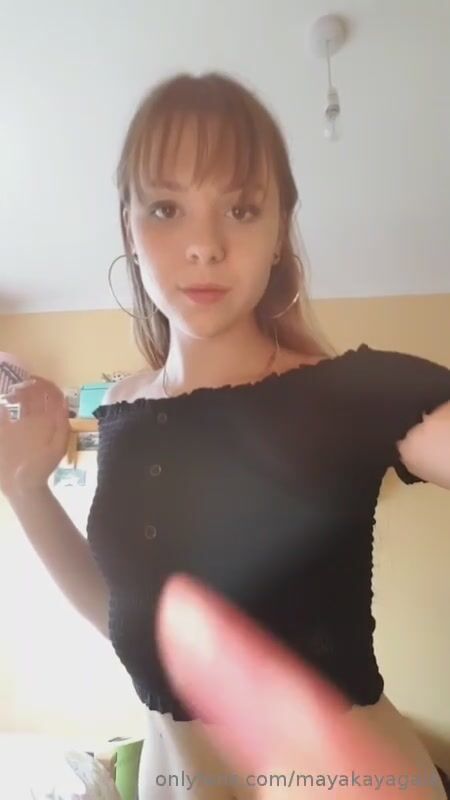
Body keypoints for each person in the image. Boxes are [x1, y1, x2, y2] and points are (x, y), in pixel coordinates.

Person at [0, 72, 449, 799]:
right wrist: (25, 489)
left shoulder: (353, 393)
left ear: (278, 232)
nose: (204, 246)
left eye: (241, 209)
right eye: (166, 208)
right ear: (129, 229)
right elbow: (132, 620)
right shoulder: (122, 408)